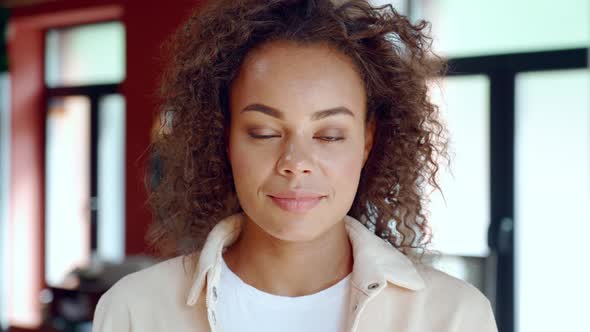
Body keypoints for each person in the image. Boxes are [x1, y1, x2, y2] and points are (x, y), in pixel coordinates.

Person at [92, 0, 498, 331]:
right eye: (265, 132)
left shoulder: (452, 316)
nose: (295, 164)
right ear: (225, 138)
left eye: (329, 135)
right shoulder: (135, 311)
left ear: (367, 141)